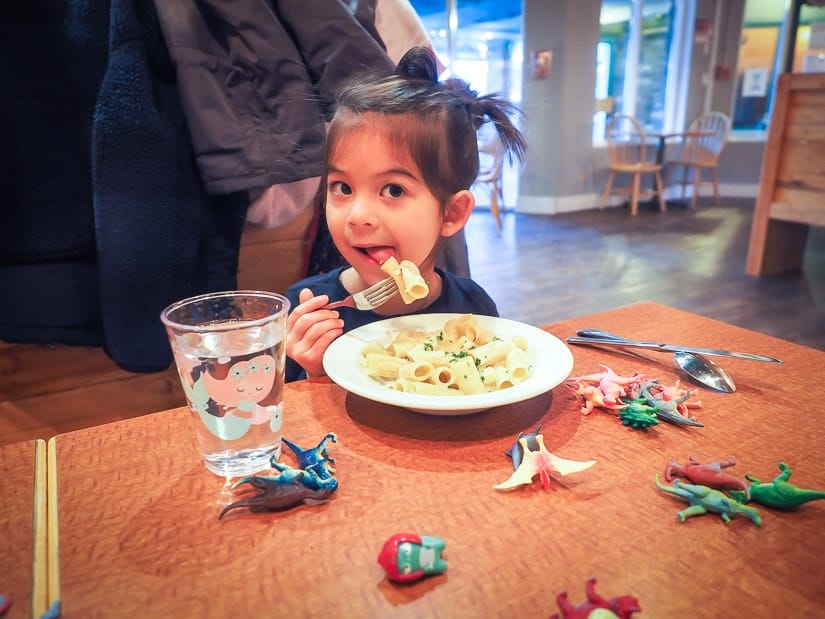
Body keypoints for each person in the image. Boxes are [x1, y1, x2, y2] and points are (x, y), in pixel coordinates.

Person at [284, 46, 526, 382]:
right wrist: (316, 372)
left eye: (393, 190)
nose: (357, 215)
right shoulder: (307, 308)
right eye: (342, 187)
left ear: (451, 214)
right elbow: (286, 423)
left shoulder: (474, 308)